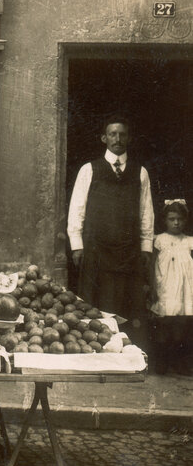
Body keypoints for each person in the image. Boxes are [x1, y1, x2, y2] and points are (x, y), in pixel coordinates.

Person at [67, 116, 154, 324]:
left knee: (128, 306)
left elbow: (146, 211)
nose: (117, 139)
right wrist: (77, 245)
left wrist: (146, 246)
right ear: (104, 138)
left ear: (129, 138)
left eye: (122, 134)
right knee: (95, 306)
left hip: (128, 251)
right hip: (96, 249)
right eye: (112, 134)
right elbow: (77, 208)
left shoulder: (140, 172)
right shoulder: (89, 169)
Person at [149, 200, 193, 375]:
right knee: (163, 323)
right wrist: (152, 287)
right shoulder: (159, 240)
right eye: (172, 219)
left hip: (184, 289)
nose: (176, 223)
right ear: (164, 220)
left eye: (180, 219)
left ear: (185, 220)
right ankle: (162, 361)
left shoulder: (189, 242)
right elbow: (152, 265)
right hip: (165, 287)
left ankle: (178, 362)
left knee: (181, 325)